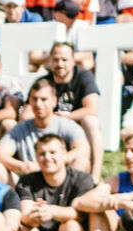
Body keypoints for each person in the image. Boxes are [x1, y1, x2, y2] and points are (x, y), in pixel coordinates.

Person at [0, 78, 90, 178]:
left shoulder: (67, 125)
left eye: (43, 99)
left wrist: (54, 164)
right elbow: (0, 153)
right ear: (29, 101)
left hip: (61, 181)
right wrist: (22, 166)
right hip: (28, 182)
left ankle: (75, 194)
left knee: (82, 162)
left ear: (54, 101)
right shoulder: (20, 128)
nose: (38, 104)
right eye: (35, 99)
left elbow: (83, 149)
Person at [43, 42, 103, 178]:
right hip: (53, 130)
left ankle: (95, 175)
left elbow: (92, 108)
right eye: (56, 60)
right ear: (50, 61)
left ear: (73, 61)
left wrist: (68, 117)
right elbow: (29, 111)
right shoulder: (44, 82)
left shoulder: (84, 76)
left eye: (64, 60)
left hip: (77, 128)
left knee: (91, 121)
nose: (60, 64)